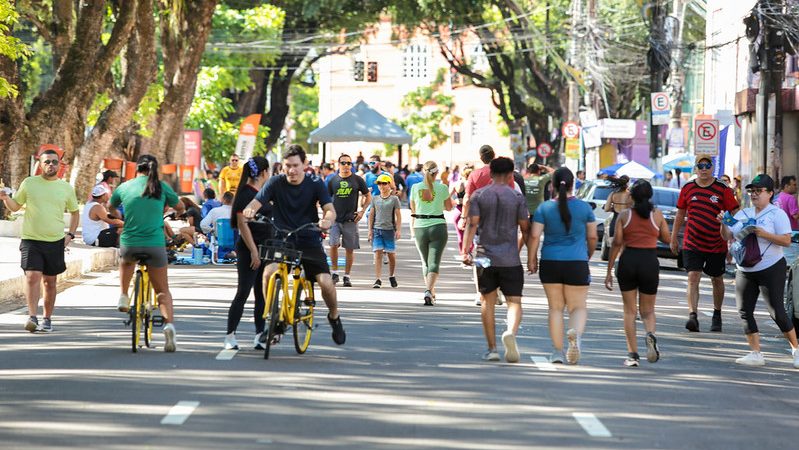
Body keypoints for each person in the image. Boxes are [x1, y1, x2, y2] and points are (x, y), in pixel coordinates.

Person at [243, 145, 346, 346]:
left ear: (305, 164)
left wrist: (327, 220)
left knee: (326, 282)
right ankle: (272, 318)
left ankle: (334, 317)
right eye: (288, 166)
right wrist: (249, 211)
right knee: (268, 273)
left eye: (296, 165)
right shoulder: (275, 183)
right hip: (282, 239)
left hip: (308, 239)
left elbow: (330, 209)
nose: (291, 170)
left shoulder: (315, 183)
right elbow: (255, 203)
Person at [718, 174, 799, 367]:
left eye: (759, 191)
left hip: (771, 267)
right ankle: (755, 353)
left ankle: (796, 349)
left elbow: (786, 241)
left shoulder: (776, 214)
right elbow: (726, 236)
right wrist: (723, 222)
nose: (754, 194)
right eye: (752, 191)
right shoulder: (743, 213)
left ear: (770, 193)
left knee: (777, 311)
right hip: (745, 268)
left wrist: (764, 234)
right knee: (744, 310)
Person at [110, 154, 184, 352]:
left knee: (125, 261)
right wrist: (172, 213)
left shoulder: (124, 187)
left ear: (137, 169)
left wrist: (121, 216)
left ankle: (124, 295)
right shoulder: (162, 187)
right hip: (155, 245)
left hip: (130, 243)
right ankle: (169, 326)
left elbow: (111, 207)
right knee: (162, 291)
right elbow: (181, 207)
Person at [0, 149, 79, 332]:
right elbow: (15, 207)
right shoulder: (29, 183)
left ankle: (47, 318)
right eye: (47, 162)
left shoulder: (66, 188)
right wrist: (5, 198)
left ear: (59, 165)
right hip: (31, 239)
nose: (50, 165)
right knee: (32, 277)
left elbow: (75, 213)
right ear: (40, 164)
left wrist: (70, 235)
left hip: (55, 241)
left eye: (54, 162)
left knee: (49, 282)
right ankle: (32, 317)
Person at [461, 157, 530, 363]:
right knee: (514, 302)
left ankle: (492, 349)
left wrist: (466, 251)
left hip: (484, 258)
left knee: (487, 302)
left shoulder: (479, 196)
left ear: (490, 174)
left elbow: (471, 225)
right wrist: (532, 254)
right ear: (511, 175)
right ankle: (510, 331)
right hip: (510, 258)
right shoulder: (517, 197)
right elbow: (525, 228)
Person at [529, 167, 597, 364]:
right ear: (573, 184)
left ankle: (557, 352)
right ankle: (574, 335)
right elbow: (592, 236)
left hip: (550, 262)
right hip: (577, 262)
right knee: (578, 307)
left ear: (552, 184)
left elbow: (534, 235)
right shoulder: (584, 208)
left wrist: (531, 259)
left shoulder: (544, 208)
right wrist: (588, 254)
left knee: (555, 308)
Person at [604, 180, 671, 367]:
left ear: (631, 196)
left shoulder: (625, 215)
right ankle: (650, 334)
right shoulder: (657, 215)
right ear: (650, 196)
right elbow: (666, 239)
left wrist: (609, 270)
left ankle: (632, 355)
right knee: (648, 311)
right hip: (649, 262)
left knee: (629, 311)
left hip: (629, 261)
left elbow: (617, 243)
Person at [670, 155, 739, 332]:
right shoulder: (687, 188)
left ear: (712, 167)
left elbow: (735, 211)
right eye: (700, 165)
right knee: (693, 277)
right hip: (692, 241)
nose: (703, 168)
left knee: (717, 279)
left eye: (707, 165)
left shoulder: (722, 189)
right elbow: (680, 214)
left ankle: (717, 314)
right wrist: (673, 237)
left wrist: (731, 230)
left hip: (716, 243)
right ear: (695, 168)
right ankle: (693, 316)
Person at [224, 157, 272, 350]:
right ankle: (230, 336)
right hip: (248, 249)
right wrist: (253, 251)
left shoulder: (264, 193)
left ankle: (259, 334)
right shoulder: (245, 193)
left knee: (262, 293)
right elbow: (242, 225)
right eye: (268, 171)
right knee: (243, 291)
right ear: (262, 173)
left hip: (266, 248)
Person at [459, 145, 515, 306]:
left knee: (481, 257)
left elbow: (467, 199)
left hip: (481, 221)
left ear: (481, 157)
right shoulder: (505, 174)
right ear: (494, 155)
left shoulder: (475, 174)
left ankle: (480, 293)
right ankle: (496, 293)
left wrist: (464, 217)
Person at [410, 161, 452, 305]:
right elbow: (449, 207)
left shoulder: (415, 188)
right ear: (437, 173)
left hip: (420, 226)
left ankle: (430, 289)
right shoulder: (442, 188)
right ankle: (429, 290)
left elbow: (413, 209)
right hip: (438, 225)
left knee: (425, 261)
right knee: (434, 261)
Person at [327, 154, 370, 287]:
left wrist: (362, 211)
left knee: (349, 248)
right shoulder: (332, 180)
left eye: (348, 163)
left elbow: (368, 196)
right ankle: (334, 273)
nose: (346, 166)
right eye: (343, 163)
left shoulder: (357, 179)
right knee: (333, 245)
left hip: (350, 219)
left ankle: (347, 276)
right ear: (338, 165)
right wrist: (327, 216)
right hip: (335, 219)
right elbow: (325, 200)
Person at [368, 174, 401, 288]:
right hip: (377, 230)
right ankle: (378, 279)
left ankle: (391, 275)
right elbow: (371, 215)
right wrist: (370, 230)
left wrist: (398, 229)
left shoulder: (394, 199)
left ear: (389, 185)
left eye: (384, 183)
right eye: (379, 184)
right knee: (378, 253)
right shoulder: (375, 199)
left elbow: (398, 215)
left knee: (391, 255)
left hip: (389, 230)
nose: (381, 186)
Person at [449, 166, 474, 257]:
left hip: (458, 211)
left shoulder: (457, 184)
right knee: (471, 234)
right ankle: (469, 252)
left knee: (461, 236)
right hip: (470, 212)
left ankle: (463, 254)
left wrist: (455, 201)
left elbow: (447, 197)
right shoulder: (472, 184)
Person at [603, 175, 631, 244]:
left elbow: (606, 209)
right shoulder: (630, 195)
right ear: (627, 184)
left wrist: (613, 208)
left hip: (615, 222)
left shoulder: (613, 194)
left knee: (613, 246)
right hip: (627, 222)